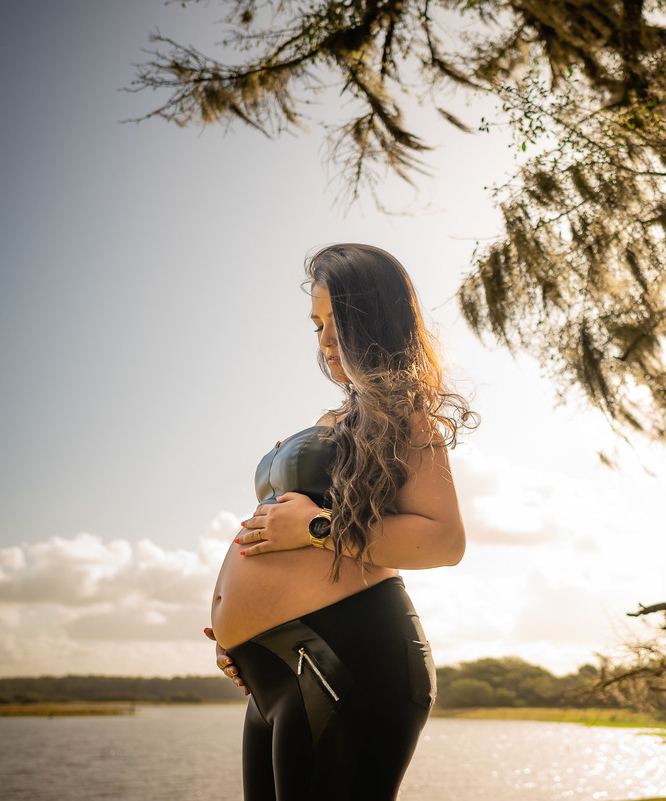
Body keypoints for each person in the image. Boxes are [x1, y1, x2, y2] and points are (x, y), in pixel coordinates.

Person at [203, 243, 478, 801]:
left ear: (374, 320)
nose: (325, 340)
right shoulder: (336, 419)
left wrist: (315, 528)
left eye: (338, 322)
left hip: (347, 658)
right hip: (281, 670)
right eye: (317, 325)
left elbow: (443, 540)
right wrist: (246, 638)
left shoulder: (403, 412)